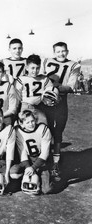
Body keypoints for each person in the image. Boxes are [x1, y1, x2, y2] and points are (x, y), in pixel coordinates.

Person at [41, 42, 81, 181]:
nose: (61, 54)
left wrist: (55, 88)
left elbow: (71, 86)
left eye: (63, 51)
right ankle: (43, 160)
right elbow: (40, 79)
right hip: (44, 101)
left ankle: (55, 164)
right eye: (58, 51)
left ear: (67, 51)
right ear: (54, 52)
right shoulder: (46, 61)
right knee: (43, 130)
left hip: (60, 101)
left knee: (58, 132)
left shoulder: (74, 65)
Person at [14, 110, 53, 194]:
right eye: (27, 122)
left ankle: (49, 173)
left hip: (41, 160)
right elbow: (22, 152)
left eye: (32, 121)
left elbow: (45, 153)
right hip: (28, 159)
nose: (31, 124)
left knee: (47, 189)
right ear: (21, 124)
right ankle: (27, 176)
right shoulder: (18, 131)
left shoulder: (43, 129)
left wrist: (33, 167)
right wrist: (28, 167)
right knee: (13, 172)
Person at [15, 54, 53, 125]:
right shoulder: (21, 79)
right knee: (25, 128)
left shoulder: (44, 79)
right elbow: (17, 98)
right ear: (26, 68)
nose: (35, 71)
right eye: (32, 68)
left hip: (40, 107)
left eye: (37, 68)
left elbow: (51, 92)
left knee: (43, 126)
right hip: (26, 107)